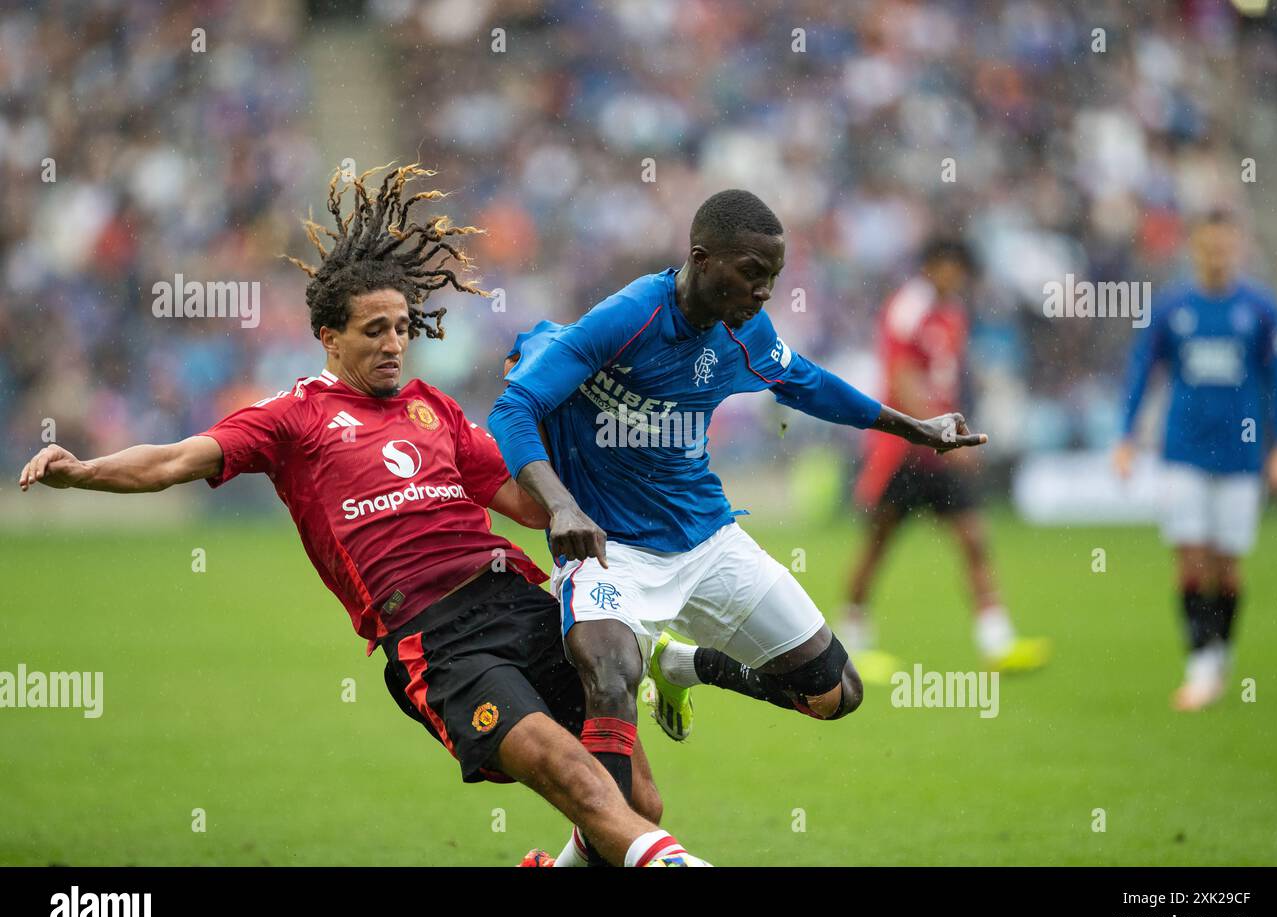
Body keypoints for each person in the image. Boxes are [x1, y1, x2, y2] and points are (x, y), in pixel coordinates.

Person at [18, 162, 704, 868]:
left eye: (402, 327)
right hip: (437, 640)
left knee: (637, 804)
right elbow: (172, 461)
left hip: (518, 603)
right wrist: (83, 472)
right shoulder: (293, 420)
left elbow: (529, 505)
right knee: (580, 783)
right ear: (328, 337)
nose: (393, 343)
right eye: (374, 330)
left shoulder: (432, 409)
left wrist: (607, 461)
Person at [487, 189, 987, 865]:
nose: (764, 291)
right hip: (611, 554)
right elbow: (515, 407)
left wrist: (918, 429)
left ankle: (684, 663)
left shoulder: (744, 333)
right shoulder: (630, 318)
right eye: (753, 272)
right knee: (610, 677)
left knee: (835, 697)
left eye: (773, 278)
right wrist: (563, 506)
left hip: (709, 543)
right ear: (701, 259)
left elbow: (807, 383)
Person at [1114, 209, 1277, 712]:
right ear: (1195, 248)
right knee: (1190, 559)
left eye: (1225, 247)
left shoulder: (1260, 308)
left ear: (1237, 248)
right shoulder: (1173, 306)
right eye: (1208, 246)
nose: (1217, 256)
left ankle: (1221, 654)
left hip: (1240, 456)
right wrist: (1125, 436)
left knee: (1227, 569)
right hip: (1183, 453)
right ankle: (1198, 667)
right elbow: (1140, 371)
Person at [842, 239, 1048, 683]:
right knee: (877, 547)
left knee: (974, 538)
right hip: (902, 451)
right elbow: (901, 379)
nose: (955, 277)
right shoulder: (907, 308)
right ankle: (851, 640)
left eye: (960, 269)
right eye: (949, 268)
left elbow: (946, 385)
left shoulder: (953, 314)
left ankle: (997, 642)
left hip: (939, 455)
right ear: (932, 268)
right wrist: (940, 433)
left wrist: (956, 432)